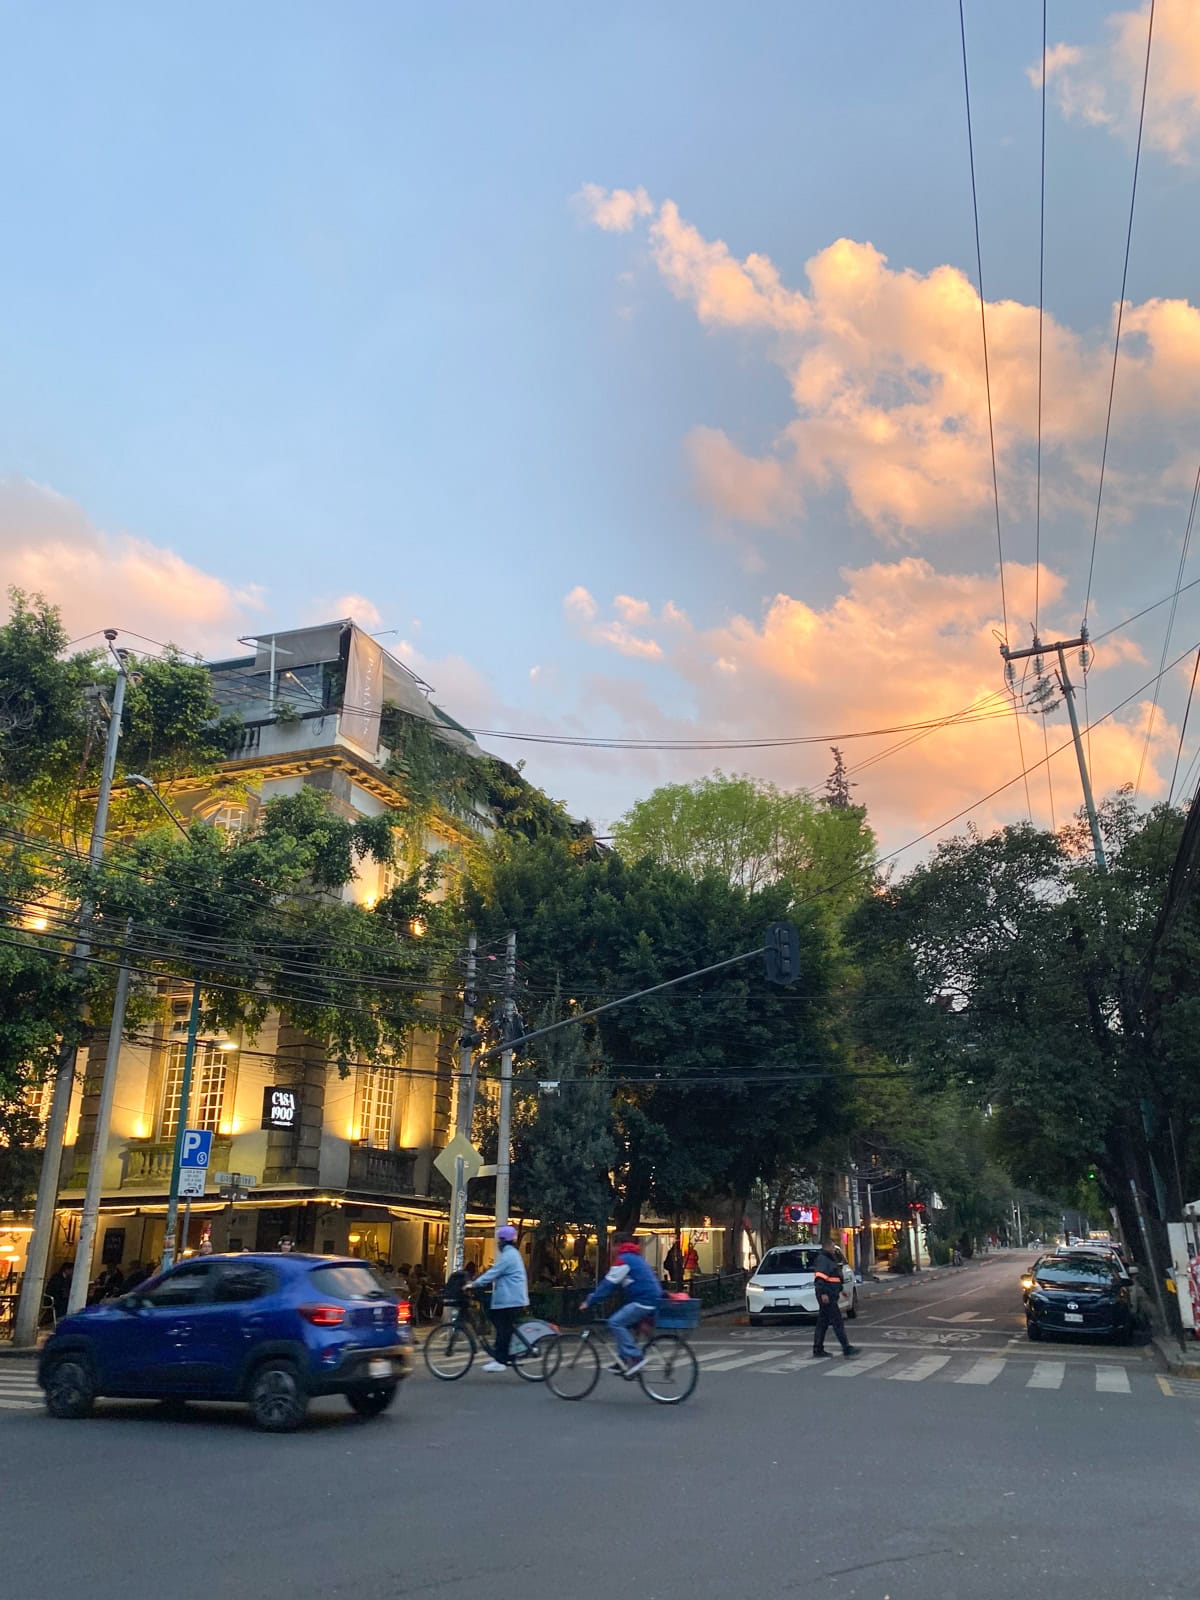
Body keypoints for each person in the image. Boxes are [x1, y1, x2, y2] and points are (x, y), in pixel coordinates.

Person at [581, 1233, 663, 1377]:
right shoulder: (636, 1257)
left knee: (615, 1322)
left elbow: (608, 1283)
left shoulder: (624, 1260)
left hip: (643, 1301)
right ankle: (623, 1360)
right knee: (623, 1322)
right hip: (652, 1299)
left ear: (618, 1245)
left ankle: (635, 1357)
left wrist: (590, 1300)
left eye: (612, 1245)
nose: (611, 1249)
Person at [470, 1227, 528, 1372]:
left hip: (511, 1299)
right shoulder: (512, 1253)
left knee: (503, 1327)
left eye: (499, 1241)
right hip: (511, 1297)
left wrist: (474, 1283)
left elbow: (494, 1272)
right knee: (500, 1323)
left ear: (502, 1241)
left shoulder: (508, 1256)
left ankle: (501, 1360)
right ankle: (502, 1353)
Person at [812, 1241, 858, 1360]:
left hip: (830, 1294)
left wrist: (841, 1289)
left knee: (822, 1323)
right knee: (837, 1322)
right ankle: (846, 1348)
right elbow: (820, 1278)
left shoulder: (829, 1259)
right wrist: (823, 1294)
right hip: (827, 1296)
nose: (834, 1249)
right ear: (827, 1247)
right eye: (832, 1247)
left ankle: (818, 1348)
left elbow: (834, 1277)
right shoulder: (823, 1259)